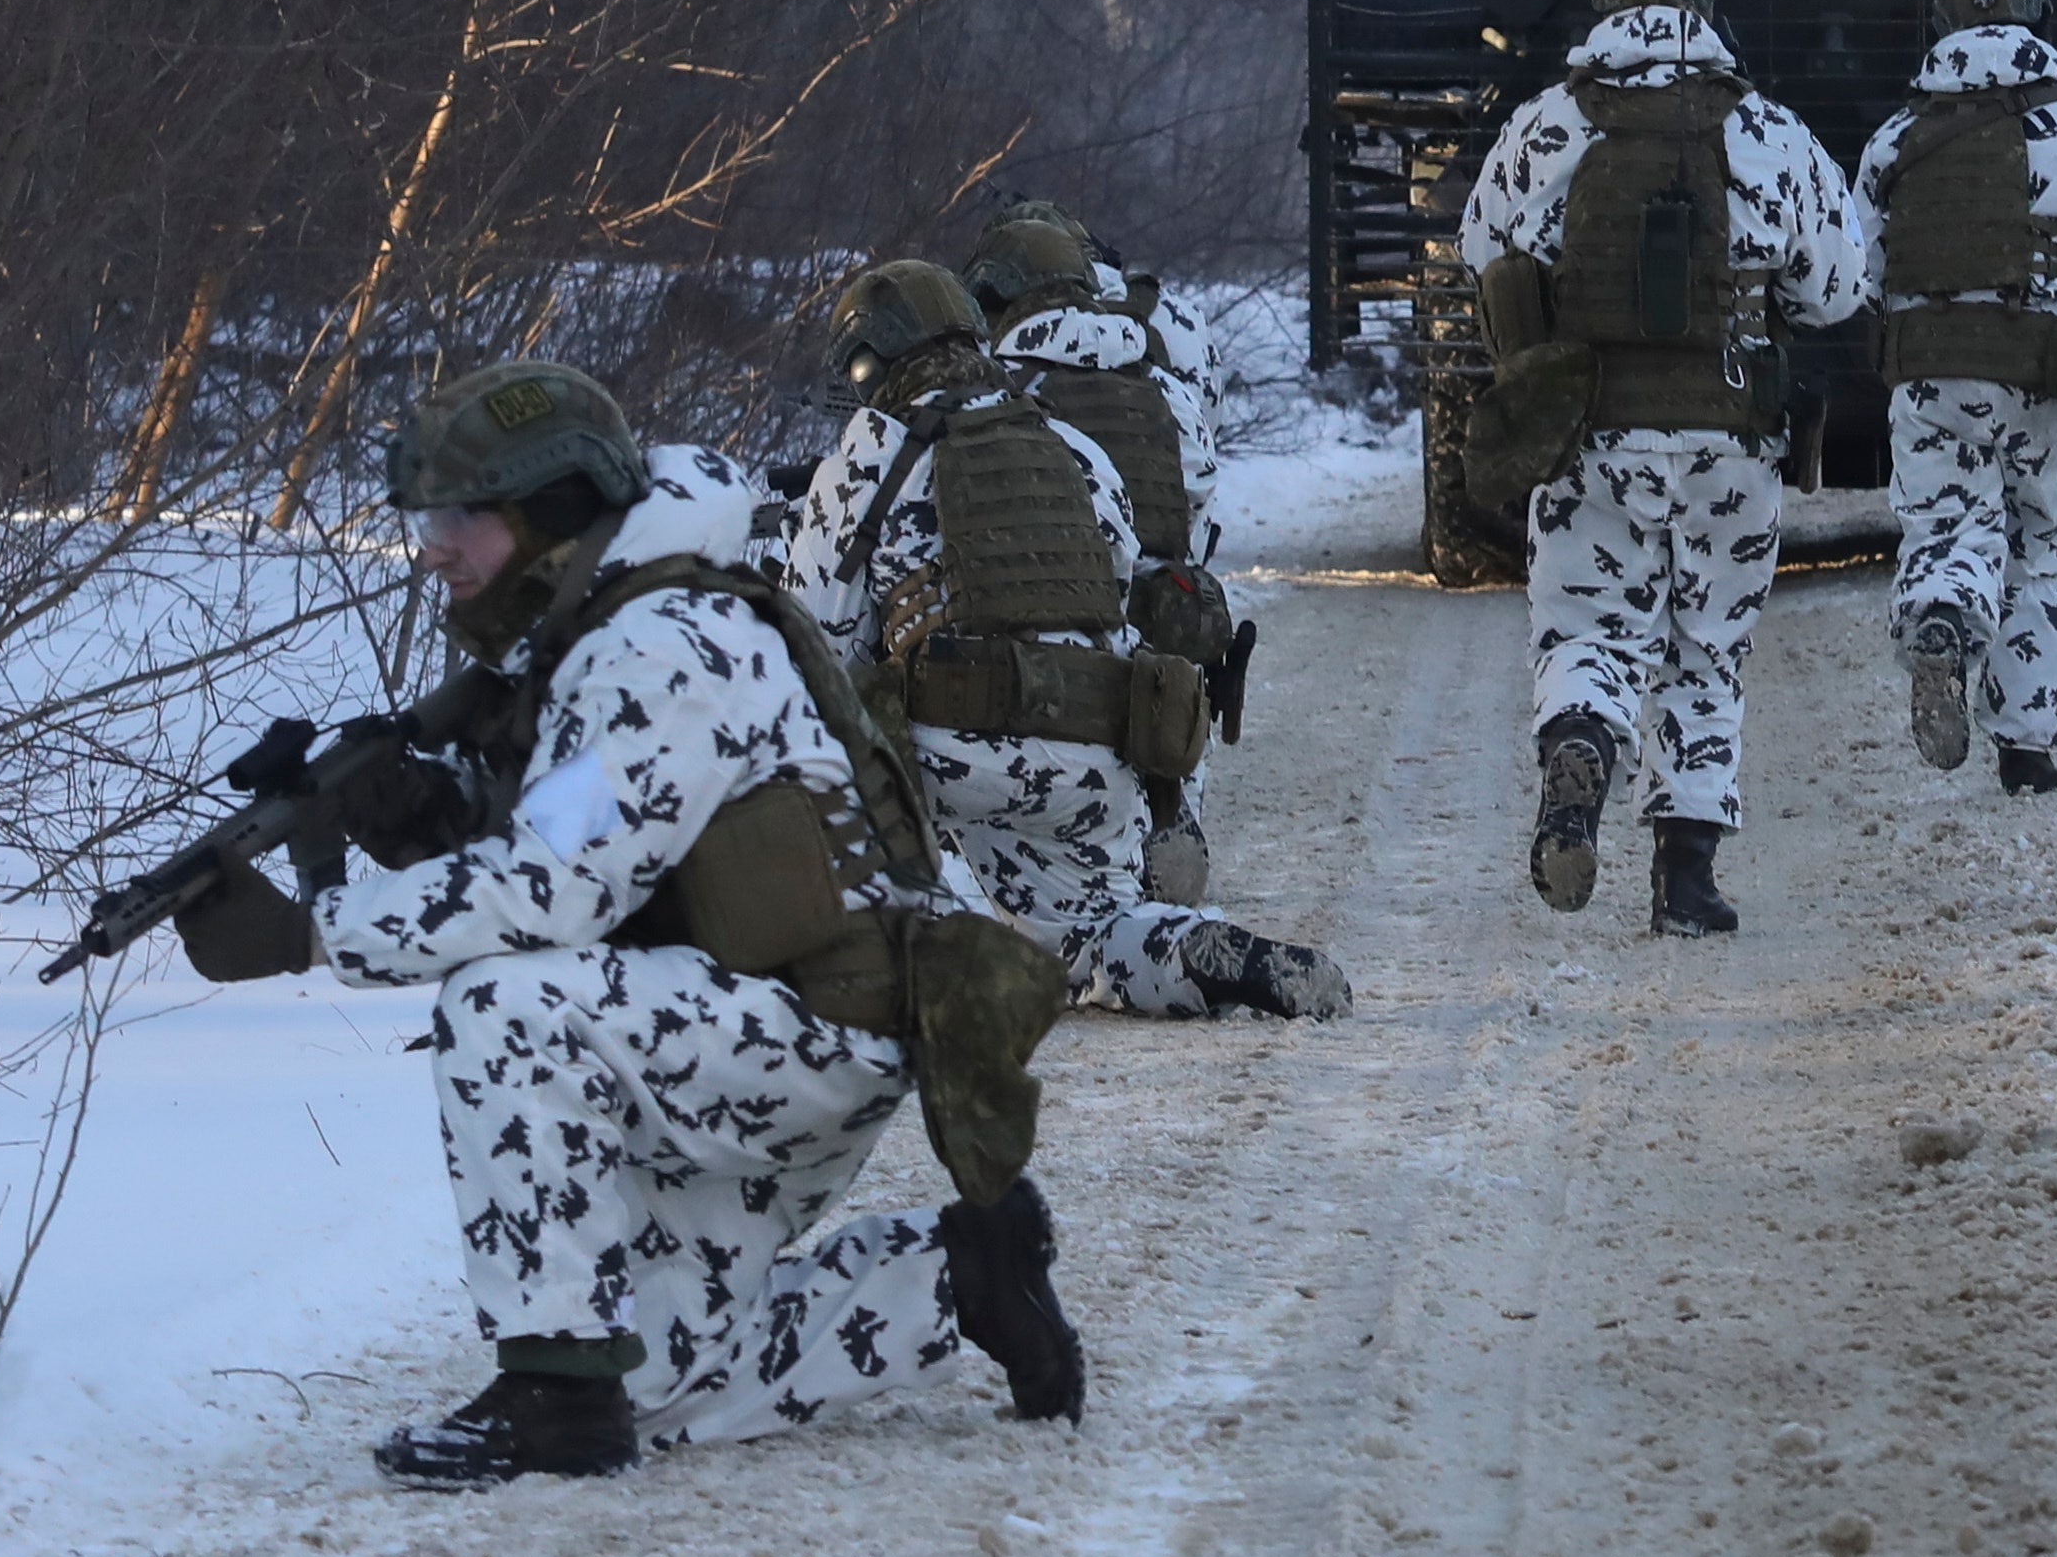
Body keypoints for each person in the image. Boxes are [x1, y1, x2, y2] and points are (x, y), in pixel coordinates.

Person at [305, 359, 1086, 1484]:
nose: (434, 545)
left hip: (810, 1028)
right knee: (657, 1389)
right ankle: (955, 1279)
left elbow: (550, 893)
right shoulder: (608, 625)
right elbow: (586, 844)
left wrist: (314, 932)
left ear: (552, 512)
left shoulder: (661, 644)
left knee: (503, 1007)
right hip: (745, 1022)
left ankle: (550, 1395)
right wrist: (422, 820)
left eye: (461, 517)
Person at [1451, 0, 1872, 935]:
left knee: (1590, 631)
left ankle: (1582, 751)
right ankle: (1687, 880)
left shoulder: (1552, 123)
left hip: (1590, 434)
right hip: (1733, 442)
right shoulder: (1766, 130)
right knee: (1705, 649)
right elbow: (1840, 288)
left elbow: (1479, 250)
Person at [796, 258, 1347, 1023]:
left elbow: (811, 643)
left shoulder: (874, 448)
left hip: (950, 755)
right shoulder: (1069, 441)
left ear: (870, 360)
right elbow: (1120, 591)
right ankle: (1215, 955)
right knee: (1094, 937)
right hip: (1094, 751)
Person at [1849, 0, 2057, 790]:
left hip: (1932, 372)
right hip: (2052, 373)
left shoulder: (1894, 141)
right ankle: (2026, 749)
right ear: (2038, 25)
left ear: (1944, 30)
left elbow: (1858, 275)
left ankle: (1944, 620)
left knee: (1950, 528)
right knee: (2046, 548)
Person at [969, 198, 1247, 905]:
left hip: (1051, 621)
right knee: (1181, 641)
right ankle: (1172, 807)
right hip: (1160, 620)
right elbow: (1201, 483)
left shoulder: (998, 382)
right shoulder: (1152, 372)